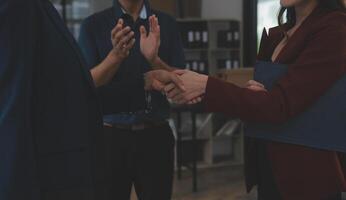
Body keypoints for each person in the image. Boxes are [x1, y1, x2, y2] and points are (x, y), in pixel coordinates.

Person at [145, 0, 346, 199]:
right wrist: (155, 62)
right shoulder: (279, 34)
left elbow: (279, 105)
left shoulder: (335, 29)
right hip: (270, 168)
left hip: (308, 178)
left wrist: (206, 86)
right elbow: (260, 103)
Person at [78, 0, 185, 199]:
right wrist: (115, 56)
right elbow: (85, 86)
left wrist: (154, 60)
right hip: (109, 137)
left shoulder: (166, 23)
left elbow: (182, 82)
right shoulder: (92, 25)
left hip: (156, 135)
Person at [0, 0, 105, 199]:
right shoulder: (17, 6)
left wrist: (142, 84)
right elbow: (10, 113)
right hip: (50, 183)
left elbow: (66, 94)